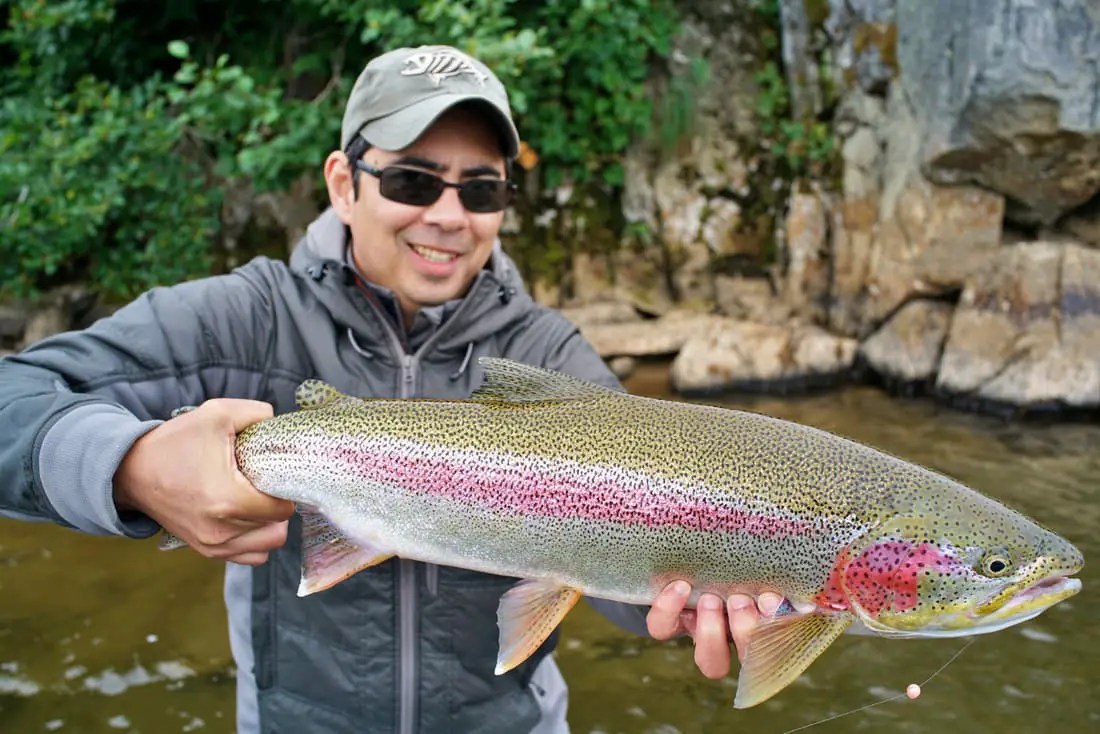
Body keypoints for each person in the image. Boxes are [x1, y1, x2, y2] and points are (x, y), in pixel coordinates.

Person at [0, 44, 781, 732]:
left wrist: (685, 597)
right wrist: (133, 466)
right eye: (413, 180)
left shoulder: (547, 353)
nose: (449, 216)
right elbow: (16, 396)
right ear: (344, 182)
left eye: (482, 191)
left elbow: (607, 566)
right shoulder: (246, 320)